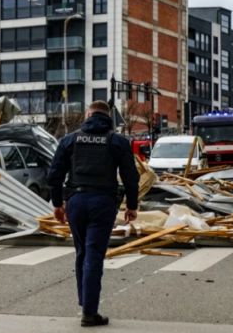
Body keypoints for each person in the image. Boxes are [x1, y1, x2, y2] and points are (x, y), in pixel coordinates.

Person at [47, 101, 140, 327]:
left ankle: (84, 302)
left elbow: (54, 174)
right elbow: (131, 177)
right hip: (103, 203)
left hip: (76, 201)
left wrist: (58, 204)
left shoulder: (70, 140)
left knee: (81, 253)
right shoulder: (118, 141)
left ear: (88, 115)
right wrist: (132, 206)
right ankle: (90, 312)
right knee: (94, 255)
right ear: (109, 117)